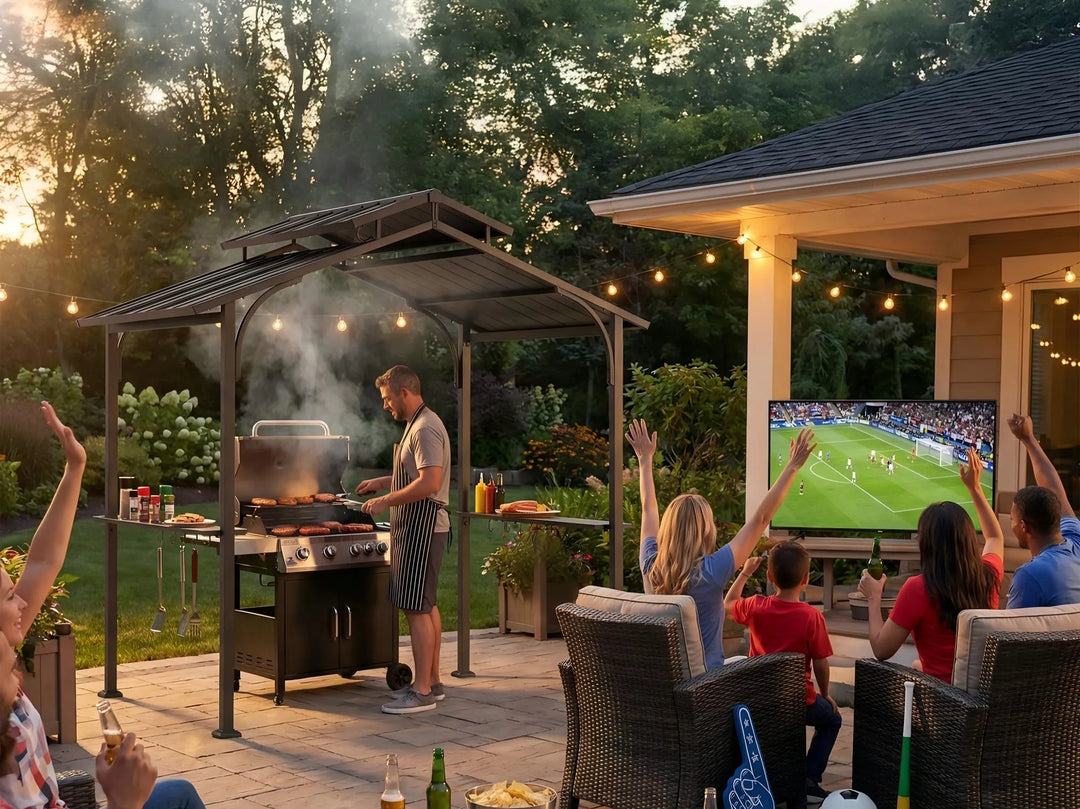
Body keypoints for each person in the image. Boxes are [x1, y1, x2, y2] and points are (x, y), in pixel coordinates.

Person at [0, 403, 204, 809]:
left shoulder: (6, 674)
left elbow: (43, 561)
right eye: (8, 597)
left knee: (180, 793)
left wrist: (75, 468)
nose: (21, 600)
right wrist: (122, 801)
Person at [626, 418, 815, 669]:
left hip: (665, 679)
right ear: (705, 530)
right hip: (706, 686)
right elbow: (761, 520)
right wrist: (792, 467)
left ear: (668, 529)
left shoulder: (650, 563)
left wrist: (645, 460)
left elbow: (648, 510)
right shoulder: (711, 571)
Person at [858, 447, 1004, 681]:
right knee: (917, 664)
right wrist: (975, 488)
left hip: (943, 702)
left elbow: (881, 649)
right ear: (967, 538)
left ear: (926, 544)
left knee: (913, 669)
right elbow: (995, 538)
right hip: (982, 694)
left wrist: (874, 597)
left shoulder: (919, 588)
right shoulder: (989, 575)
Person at [357, 366, 451, 714]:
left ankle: (422, 692)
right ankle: (433, 682)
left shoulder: (425, 428)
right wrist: (384, 482)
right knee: (426, 605)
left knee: (416, 608)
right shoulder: (418, 424)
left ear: (404, 393)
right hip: (417, 526)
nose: (386, 406)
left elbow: (429, 483)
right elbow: (415, 473)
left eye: (387, 398)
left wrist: (386, 500)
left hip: (422, 527)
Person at [725, 541, 841, 805]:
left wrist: (744, 573)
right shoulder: (812, 616)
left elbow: (728, 603)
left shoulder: (755, 606)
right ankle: (810, 778)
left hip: (759, 701)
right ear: (806, 579)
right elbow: (821, 663)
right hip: (800, 702)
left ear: (768, 576)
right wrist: (826, 695)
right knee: (832, 720)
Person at [1005, 413, 1080, 607]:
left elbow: (1010, 635)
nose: (1010, 523)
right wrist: (1028, 438)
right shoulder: (1076, 540)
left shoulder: (1029, 575)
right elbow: (1054, 490)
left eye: (1011, 519)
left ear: (1024, 526)